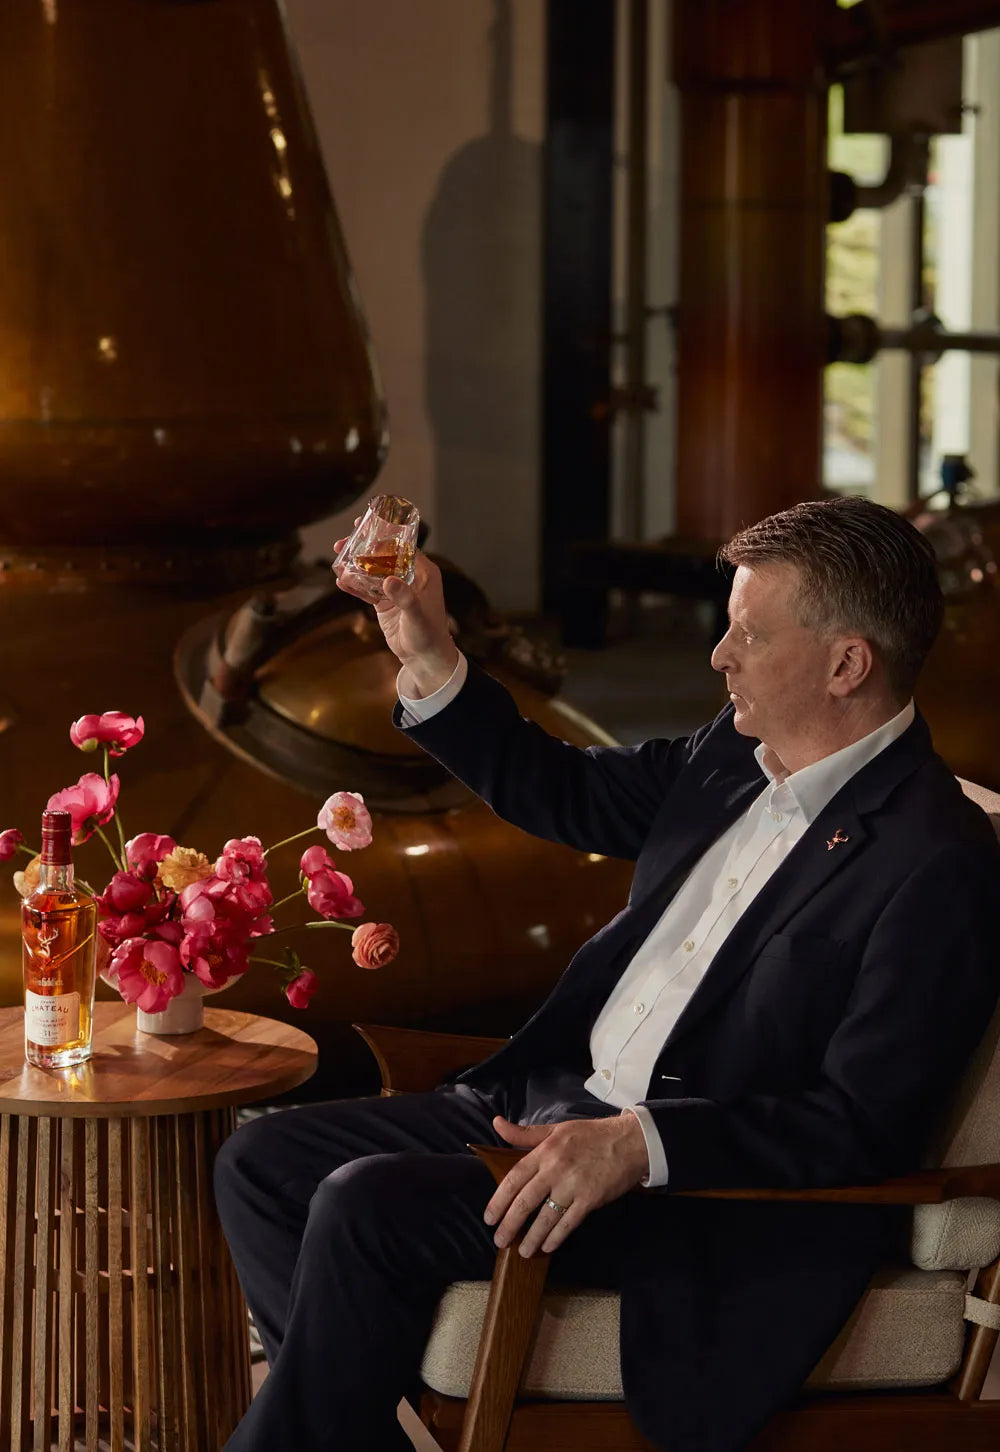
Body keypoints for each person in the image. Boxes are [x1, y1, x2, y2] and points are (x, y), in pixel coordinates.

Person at [216, 496, 1000, 1452]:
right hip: (550, 1100)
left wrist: (639, 1143)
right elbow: (565, 790)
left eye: (750, 635)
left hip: (689, 1194)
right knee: (262, 1163)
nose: (719, 657)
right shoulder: (734, 752)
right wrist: (425, 647)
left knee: (363, 1203)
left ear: (847, 665)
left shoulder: (937, 857)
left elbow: (862, 1122)